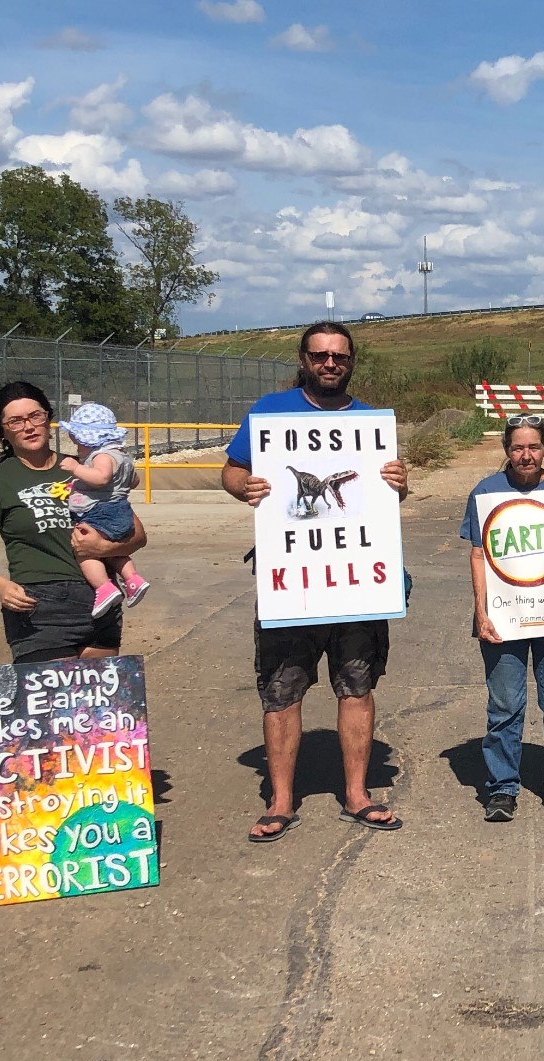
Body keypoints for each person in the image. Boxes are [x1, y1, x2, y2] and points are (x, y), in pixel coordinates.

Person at [222, 321, 409, 842]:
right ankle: (280, 801)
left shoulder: (372, 423)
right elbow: (231, 471)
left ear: (351, 362)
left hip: (354, 584)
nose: (330, 364)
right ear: (303, 359)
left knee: (357, 686)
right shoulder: (270, 413)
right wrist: (246, 486)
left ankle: (357, 795)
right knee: (281, 691)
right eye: (320, 355)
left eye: (340, 357)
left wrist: (400, 482)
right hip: (292, 581)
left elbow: (387, 497)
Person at [0, 382, 147, 664]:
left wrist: (101, 546)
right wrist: (0, 586)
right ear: (2, 431)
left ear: (48, 419)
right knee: (50, 706)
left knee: (93, 707)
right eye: (16, 421)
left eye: (36, 416)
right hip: (39, 611)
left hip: (99, 602)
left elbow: (138, 536)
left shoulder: (87, 468)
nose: (29, 427)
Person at [462, 415, 544, 821]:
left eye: (533, 447)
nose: (526, 455)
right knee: (504, 705)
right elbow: (479, 555)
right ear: (506, 450)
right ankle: (502, 788)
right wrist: (481, 611)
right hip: (504, 618)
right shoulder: (485, 492)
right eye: (518, 447)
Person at [58, 402, 150, 616]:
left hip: (99, 513)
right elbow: (133, 481)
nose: (77, 448)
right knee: (113, 550)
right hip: (120, 511)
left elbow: (101, 478)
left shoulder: (101, 456)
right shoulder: (123, 456)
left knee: (85, 551)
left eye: (78, 442)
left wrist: (76, 468)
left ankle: (104, 588)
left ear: (90, 439)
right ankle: (133, 579)